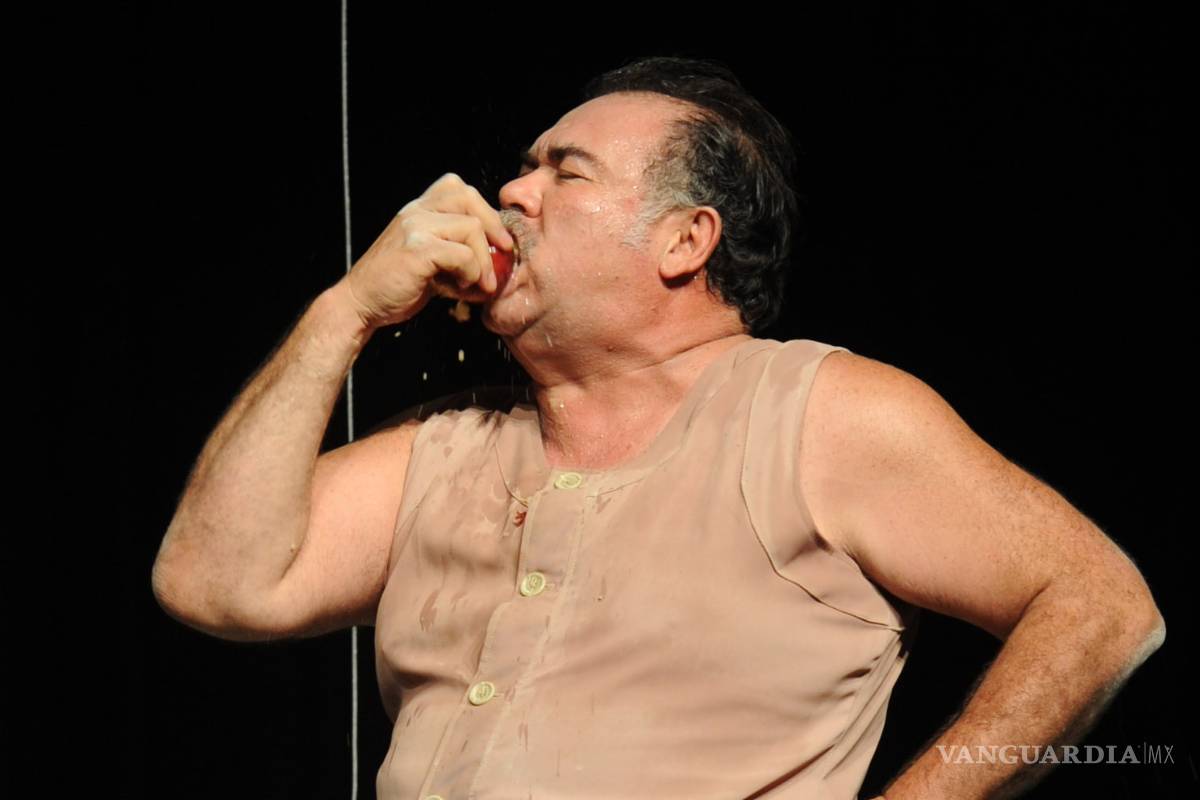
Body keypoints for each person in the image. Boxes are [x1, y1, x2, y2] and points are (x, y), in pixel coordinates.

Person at [151, 57, 1165, 799]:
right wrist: (345, 313)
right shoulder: (445, 444)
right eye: (525, 168)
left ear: (685, 240)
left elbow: (1102, 605)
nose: (511, 194)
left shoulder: (819, 414)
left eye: (567, 172)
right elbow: (212, 580)